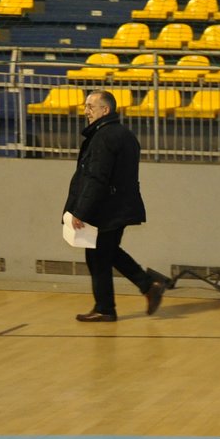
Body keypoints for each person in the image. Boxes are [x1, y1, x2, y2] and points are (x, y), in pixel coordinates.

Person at [64, 90, 168, 322]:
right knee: (106, 253)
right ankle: (146, 286)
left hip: (108, 208)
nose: (86, 111)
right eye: (86, 106)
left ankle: (110, 306)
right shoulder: (122, 134)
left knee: (100, 256)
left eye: (91, 106)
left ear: (105, 110)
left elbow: (96, 177)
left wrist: (81, 210)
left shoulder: (104, 137)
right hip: (118, 205)